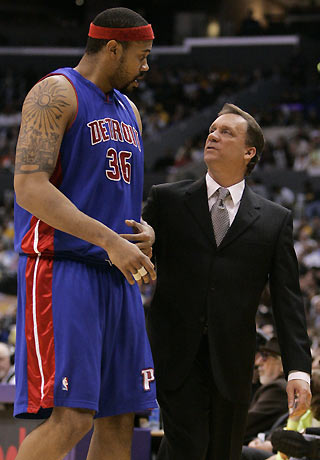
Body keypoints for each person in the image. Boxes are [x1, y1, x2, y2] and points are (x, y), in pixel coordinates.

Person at [13, 7, 157, 460]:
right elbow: (29, 187)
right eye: (142, 55)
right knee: (72, 418)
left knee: (119, 418)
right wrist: (108, 240)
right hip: (63, 269)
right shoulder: (56, 92)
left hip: (116, 272)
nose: (146, 67)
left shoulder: (130, 110)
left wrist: (138, 233)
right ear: (113, 48)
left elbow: (114, 192)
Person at [141, 103, 312, 460]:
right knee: (188, 447)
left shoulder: (274, 220)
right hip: (173, 356)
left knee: (221, 454)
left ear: (250, 152)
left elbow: (288, 300)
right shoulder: (167, 200)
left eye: (226, 132)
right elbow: (137, 260)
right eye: (212, 130)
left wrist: (298, 370)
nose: (213, 136)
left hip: (233, 364)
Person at [244, 337, 288, 444]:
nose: (258, 362)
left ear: (283, 364)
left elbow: (245, 425)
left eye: (265, 357)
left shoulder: (278, 389)